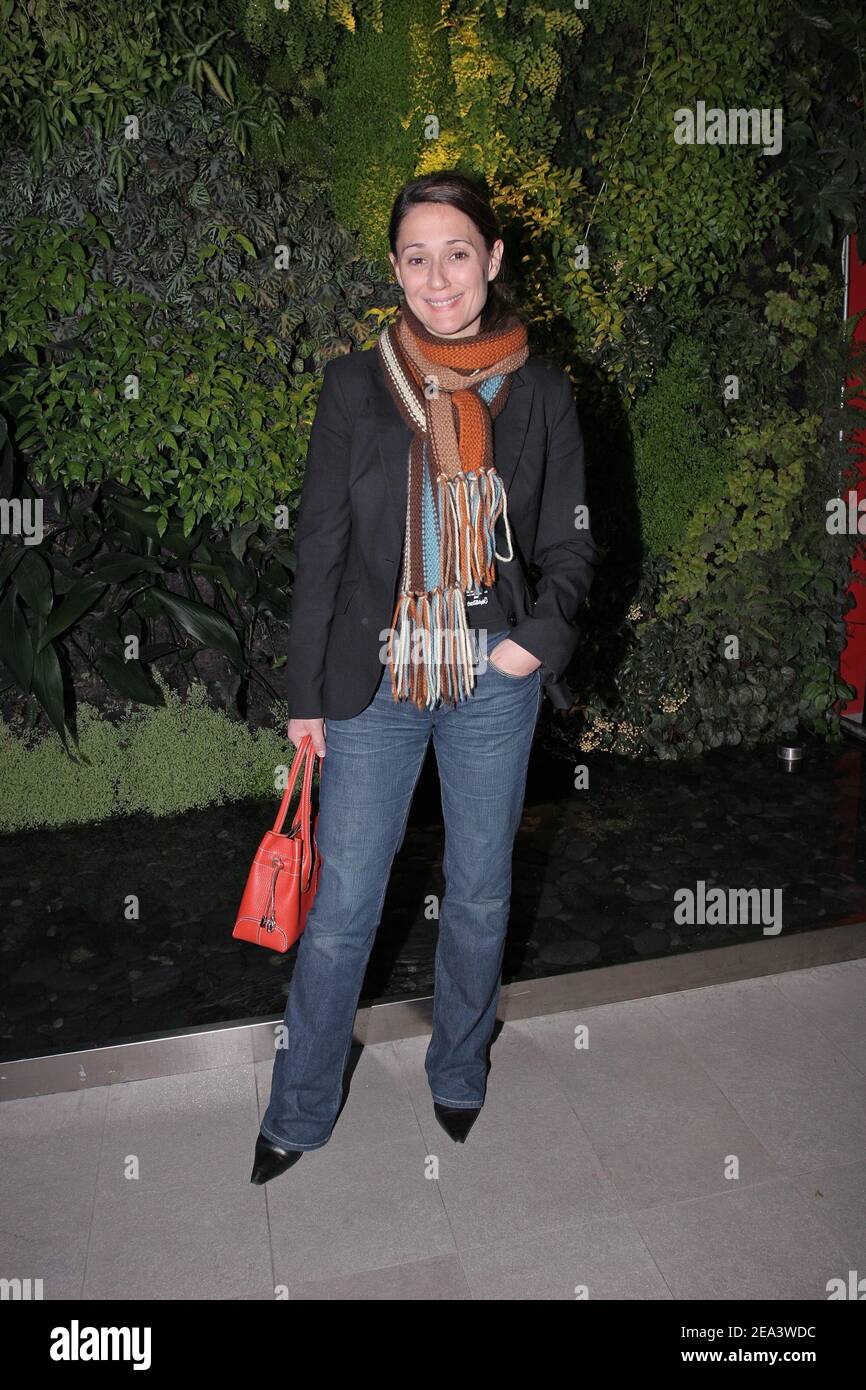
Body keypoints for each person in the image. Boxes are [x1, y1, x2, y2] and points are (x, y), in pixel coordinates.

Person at [251, 170, 597, 1185]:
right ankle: (299, 1106)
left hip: (493, 678)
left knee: (482, 893)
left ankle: (458, 1068)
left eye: (457, 251)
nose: (437, 276)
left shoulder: (536, 391)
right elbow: (318, 549)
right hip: (374, 682)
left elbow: (571, 540)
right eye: (415, 256)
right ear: (393, 269)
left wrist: (535, 638)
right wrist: (305, 696)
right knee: (346, 901)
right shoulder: (355, 386)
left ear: (491, 259)